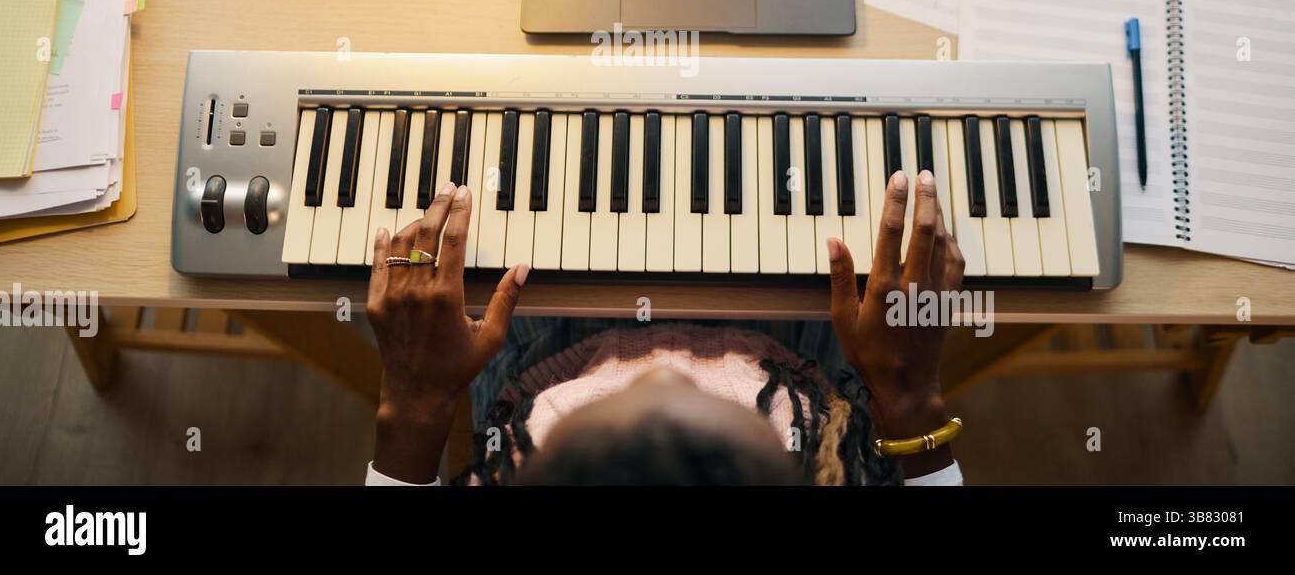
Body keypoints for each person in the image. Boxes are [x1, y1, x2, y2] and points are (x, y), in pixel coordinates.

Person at [365, 169, 966, 486]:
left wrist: (416, 399)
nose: (664, 372)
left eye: (646, 395)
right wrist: (907, 393)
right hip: (793, 366)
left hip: (542, 363)